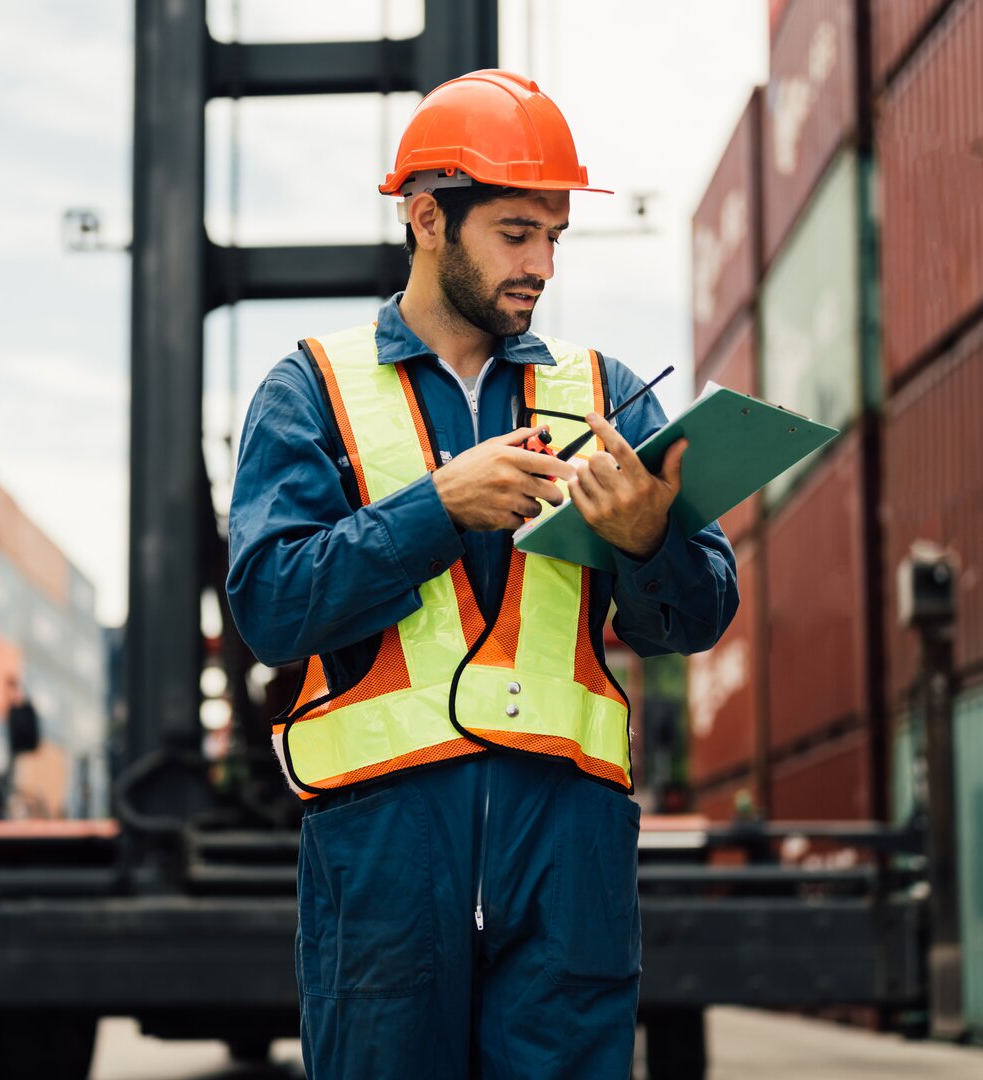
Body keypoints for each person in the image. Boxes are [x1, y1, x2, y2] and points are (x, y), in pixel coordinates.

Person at [225, 69, 739, 1079]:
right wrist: (435, 510)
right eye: (516, 232)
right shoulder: (311, 392)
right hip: (384, 850)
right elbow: (272, 609)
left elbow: (701, 612)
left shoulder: (605, 395)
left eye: (555, 235)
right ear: (427, 220)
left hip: (568, 850)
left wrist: (647, 542)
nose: (543, 262)